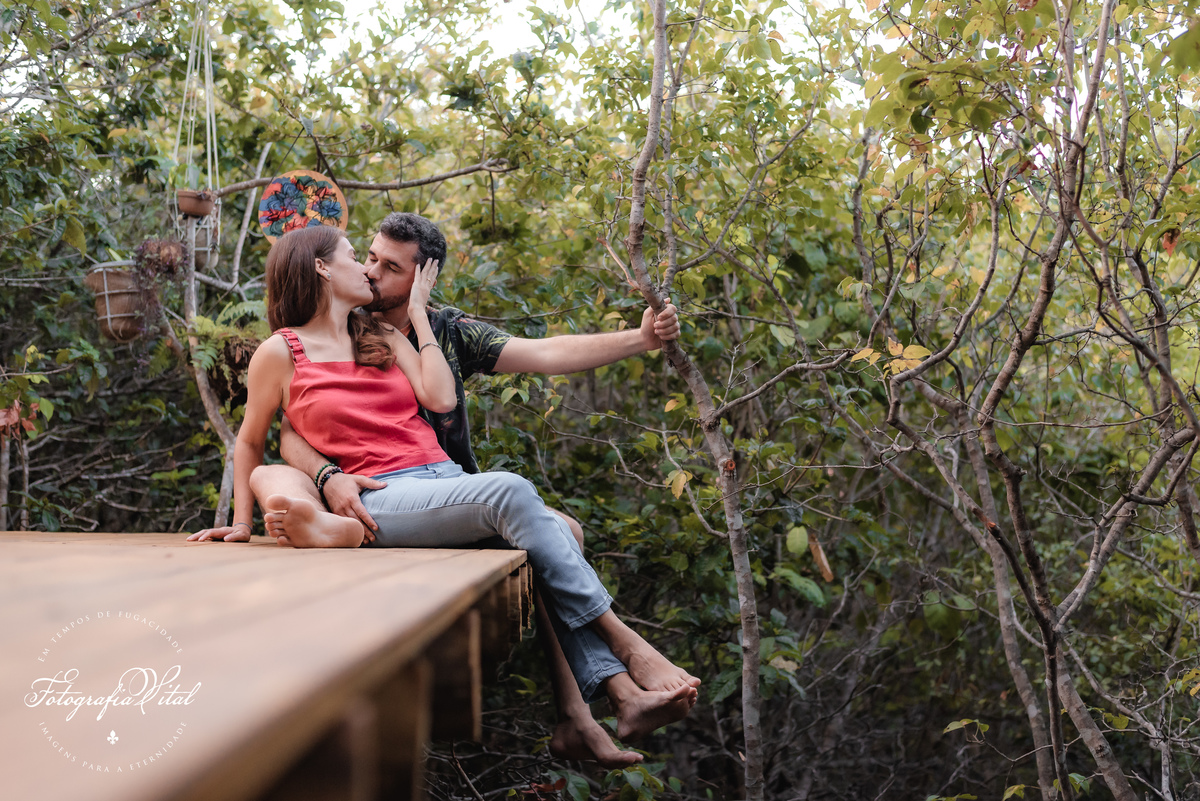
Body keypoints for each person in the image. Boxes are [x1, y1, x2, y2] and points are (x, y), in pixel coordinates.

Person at [188, 226, 698, 763]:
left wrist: (643, 339)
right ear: (321, 268)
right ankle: (625, 646)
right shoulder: (284, 351)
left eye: (388, 267)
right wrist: (252, 516)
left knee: (556, 528)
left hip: (445, 483)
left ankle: (610, 700)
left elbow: (500, 371)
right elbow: (269, 437)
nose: (369, 270)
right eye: (363, 258)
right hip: (384, 495)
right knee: (513, 494)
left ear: (419, 278)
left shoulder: (398, 335)